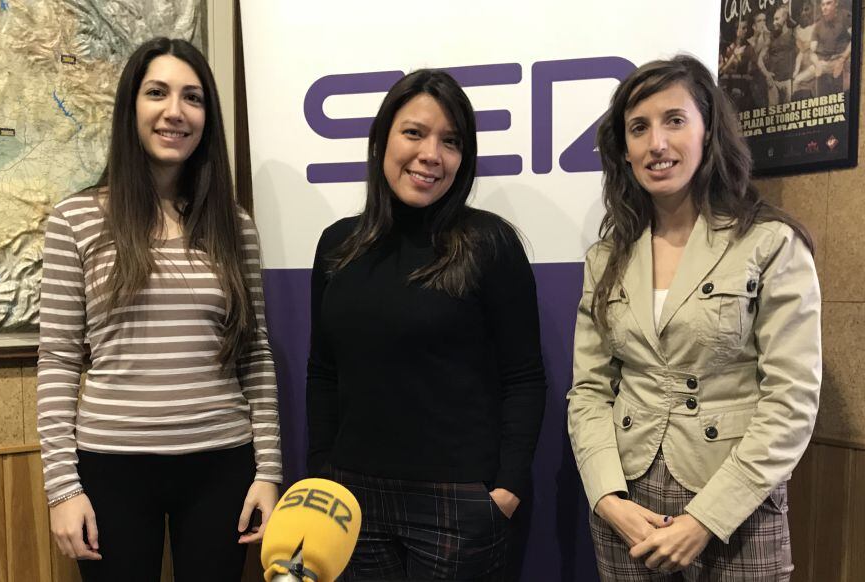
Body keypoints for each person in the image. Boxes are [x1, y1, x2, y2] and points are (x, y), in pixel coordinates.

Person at [567, 55, 821, 580]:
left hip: (737, 507)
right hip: (628, 507)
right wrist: (607, 498)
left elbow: (791, 399)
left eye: (674, 121)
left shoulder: (769, 243)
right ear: (625, 150)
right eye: (639, 128)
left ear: (709, 131)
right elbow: (589, 390)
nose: (657, 143)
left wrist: (706, 518)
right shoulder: (606, 258)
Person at [37, 37, 282, 581]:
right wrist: (62, 488)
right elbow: (57, 359)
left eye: (193, 98)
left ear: (207, 117)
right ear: (132, 108)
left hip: (223, 465)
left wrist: (268, 472)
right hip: (111, 469)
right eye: (158, 93)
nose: (176, 111)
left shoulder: (232, 224)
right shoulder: (75, 220)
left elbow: (256, 353)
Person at [306, 69, 547, 581]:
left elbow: (523, 376)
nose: (431, 154)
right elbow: (323, 372)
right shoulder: (337, 245)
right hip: (350, 501)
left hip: (459, 506)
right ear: (382, 141)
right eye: (414, 132)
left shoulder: (490, 243)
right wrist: (323, 473)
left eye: (451, 141)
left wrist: (506, 489)